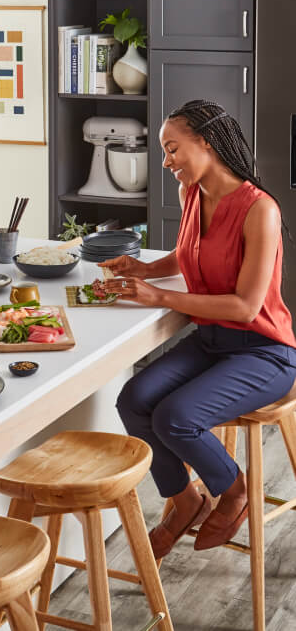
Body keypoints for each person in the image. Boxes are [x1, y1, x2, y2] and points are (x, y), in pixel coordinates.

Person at [100, 99, 296, 559]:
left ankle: (234, 489)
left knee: (176, 417)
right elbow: (191, 254)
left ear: (206, 143)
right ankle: (184, 499)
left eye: (172, 149)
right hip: (211, 342)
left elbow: (247, 307)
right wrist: (147, 269)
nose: (166, 162)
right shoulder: (194, 194)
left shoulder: (258, 209)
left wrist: (162, 297)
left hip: (263, 351)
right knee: (133, 399)